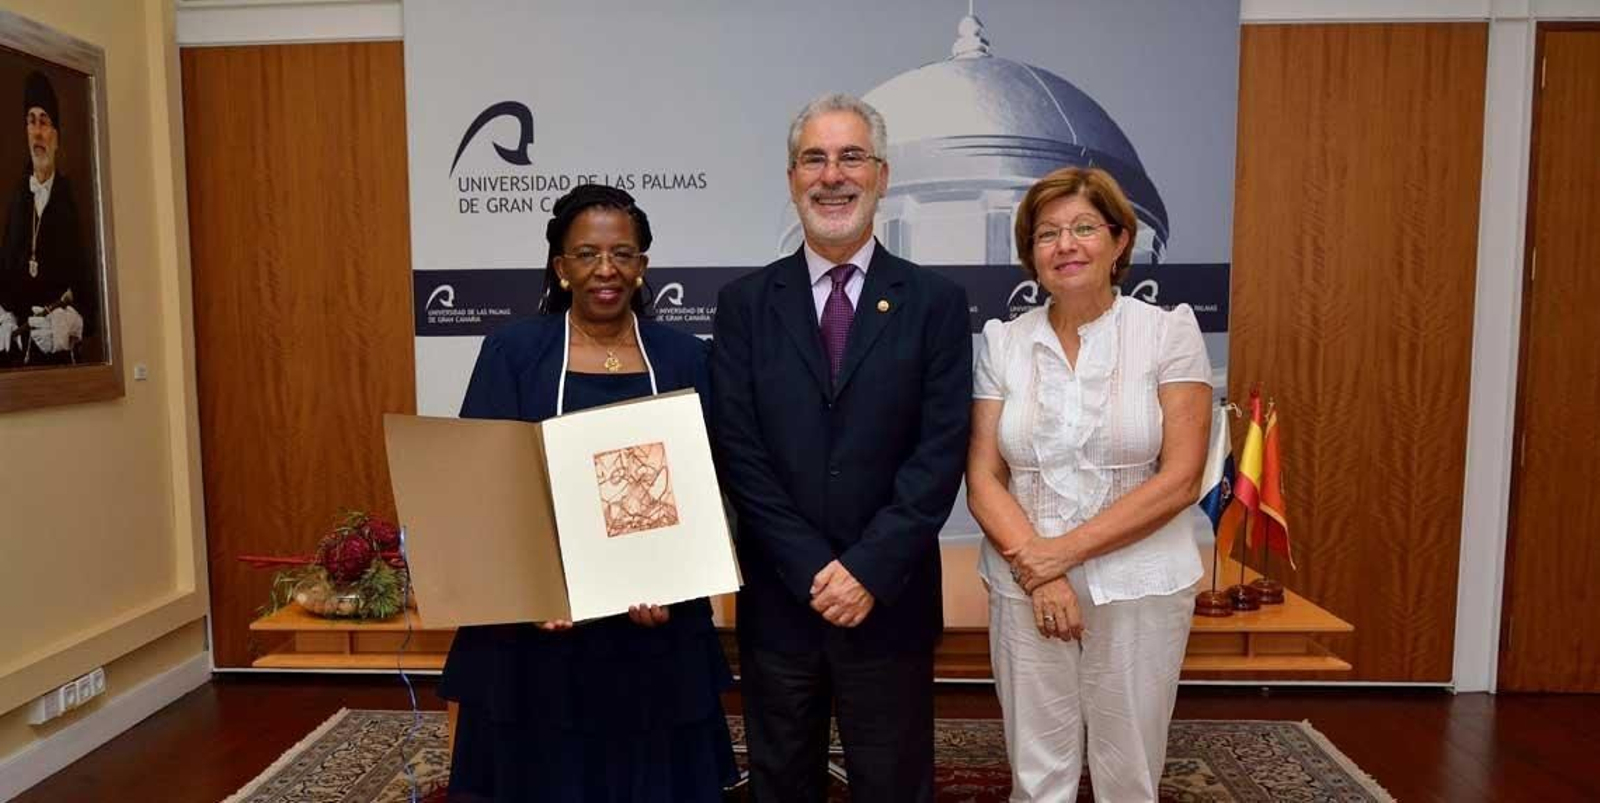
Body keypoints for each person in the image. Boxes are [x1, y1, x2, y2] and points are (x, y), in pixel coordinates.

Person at [710, 93, 972, 803]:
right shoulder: (742, 307)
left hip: (889, 600)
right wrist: (812, 567)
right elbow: (738, 451)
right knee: (782, 783)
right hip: (780, 601)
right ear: (792, 178)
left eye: (851, 156)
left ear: (881, 175)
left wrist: (865, 569)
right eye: (814, 159)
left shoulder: (937, 304)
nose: (833, 175)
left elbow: (941, 451)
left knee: (893, 784)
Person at [438, 184, 736, 802]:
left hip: (654, 627)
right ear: (561, 268)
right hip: (540, 629)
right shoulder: (514, 352)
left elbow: (710, 483)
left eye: (623, 253)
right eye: (588, 254)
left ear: (643, 266)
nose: (607, 270)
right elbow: (482, 488)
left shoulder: (685, 358)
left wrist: (677, 581)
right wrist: (534, 588)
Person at [965, 166, 1212, 802]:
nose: (1065, 246)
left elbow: (1181, 477)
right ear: (1029, 253)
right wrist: (1042, 573)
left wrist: (1061, 555)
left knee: (1127, 772)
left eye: (1083, 228)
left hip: (1139, 586)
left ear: (1120, 239)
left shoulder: (1167, 333)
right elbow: (985, 476)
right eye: (1047, 234)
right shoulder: (1003, 342)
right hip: (1026, 587)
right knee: (1036, 770)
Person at [0, 70, 90, 365]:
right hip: (15, 362)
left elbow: (92, 296)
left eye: (45, 122)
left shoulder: (72, 201)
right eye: (31, 121)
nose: (37, 132)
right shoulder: (16, 200)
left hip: (58, 363)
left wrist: (69, 322)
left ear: (57, 137)